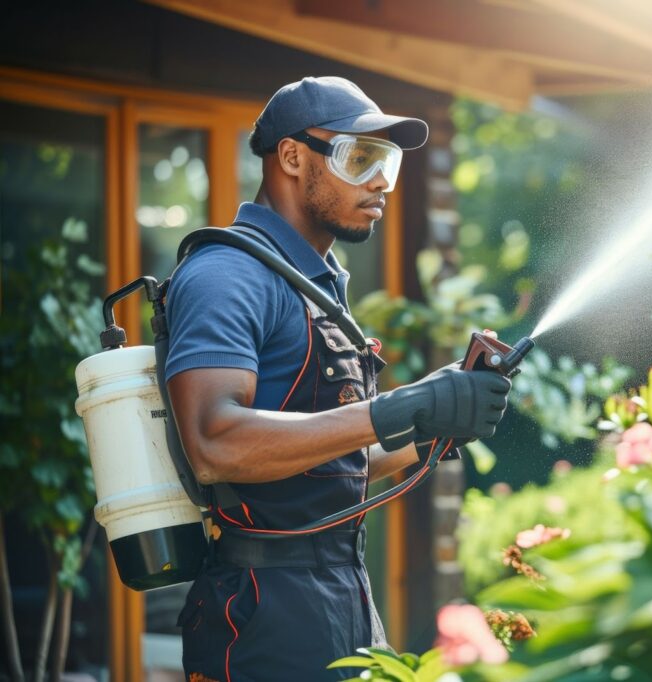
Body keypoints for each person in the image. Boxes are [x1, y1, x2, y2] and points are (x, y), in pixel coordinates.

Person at [165, 76, 511, 682]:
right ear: (293, 158)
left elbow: (337, 455)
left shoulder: (317, 286)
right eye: (360, 157)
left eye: (389, 164)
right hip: (262, 612)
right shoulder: (227, 275)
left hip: (344, 593)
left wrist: (432, 422)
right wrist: (398, 405)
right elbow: (213, 444)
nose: (381, 182)